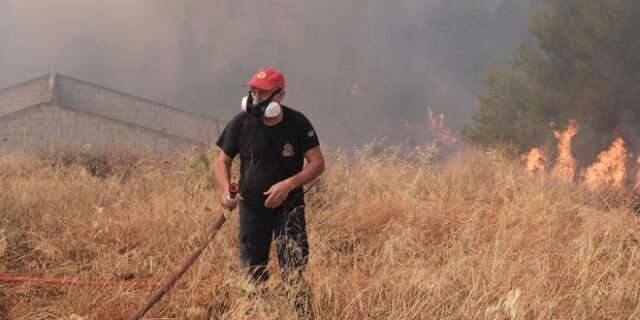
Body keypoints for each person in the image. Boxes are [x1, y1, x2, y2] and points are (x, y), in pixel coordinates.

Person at [214, 67, 325, 304]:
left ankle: (296, 311)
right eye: (254, 91)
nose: (256, 99)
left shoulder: (297, 123)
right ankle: (256, 312)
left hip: (289, 209)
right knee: (253, 273)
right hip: (252, 210)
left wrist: (288, 185)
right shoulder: (242, 122)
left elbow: (317, 163)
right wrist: (226, 189)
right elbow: (222, 160)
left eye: (263, 93)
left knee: (294, 271)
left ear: (280, 96)